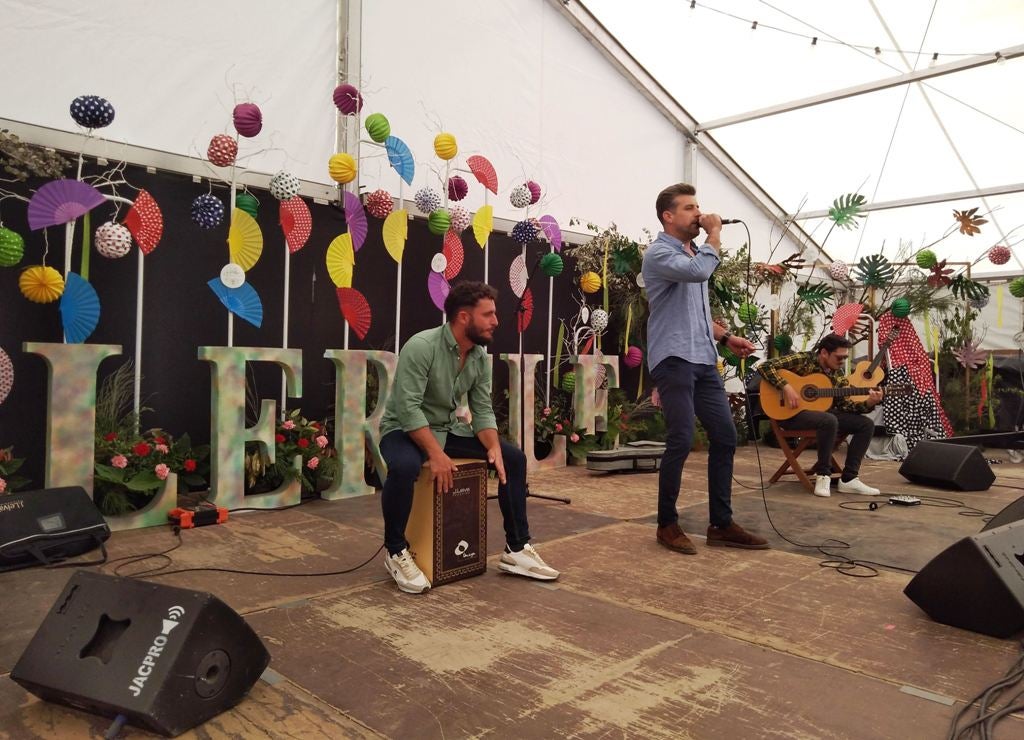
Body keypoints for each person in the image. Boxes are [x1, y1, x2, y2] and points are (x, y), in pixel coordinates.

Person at [377, 281, 559, 593]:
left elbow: (483, 410)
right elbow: (408, 410)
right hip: (402, 430)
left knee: (512, 459)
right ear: (464, 317)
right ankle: (396, 551)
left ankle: (516, 550)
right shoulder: (422, 346)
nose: (496, 321)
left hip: (447, 430)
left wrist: (494, 448)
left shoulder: (477, 357)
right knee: (405, 466)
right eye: (488, 314)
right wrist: (435, 454)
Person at [642, 182, 770, 555]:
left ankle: (721, 523)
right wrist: (715, 232)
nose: (698, 213)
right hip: (674, 359)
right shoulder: (659, 255)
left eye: (698, 207)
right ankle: (667, 524)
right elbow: (698, 273)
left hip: (702, 358)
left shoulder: (692, 252)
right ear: (668, 216)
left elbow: (694, 312)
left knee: (726, 437)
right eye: (689, 208)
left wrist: (726, 337)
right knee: (681, 439)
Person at [757, 333, 883, 497]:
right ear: (824, 353)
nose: (843, 362)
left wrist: (869, 403)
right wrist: (786, 387)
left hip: (820, 416)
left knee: (865, 424)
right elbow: (764, 367)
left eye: (845, 357)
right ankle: (823, 475)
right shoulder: (803, 360)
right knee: (828, 420)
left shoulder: (837, 375)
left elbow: (846, 405)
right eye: (839, 357)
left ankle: (849, 479)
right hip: (790, 415)